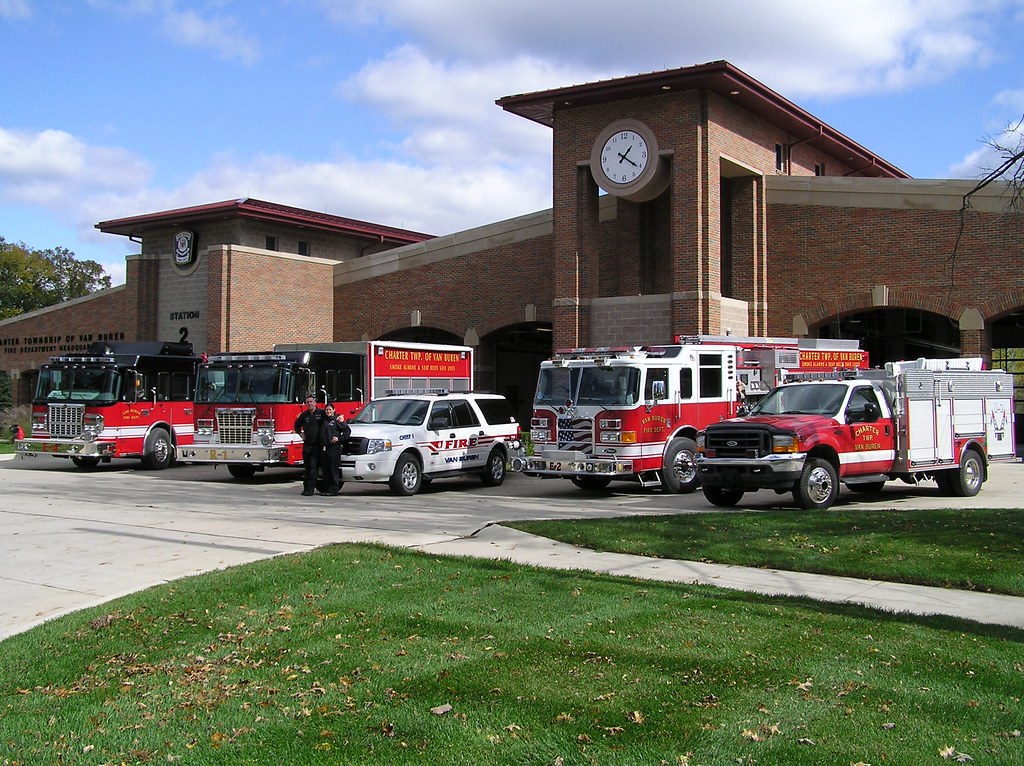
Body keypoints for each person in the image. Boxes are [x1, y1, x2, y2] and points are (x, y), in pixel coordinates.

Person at [294, 393, 325, 496]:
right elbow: (297, 425)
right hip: (307, 445)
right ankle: (306, 488)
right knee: (307, 468)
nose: (309, 404)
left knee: (313, 468)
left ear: (315, 402)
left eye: (311, 402)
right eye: (307, 402)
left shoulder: (321, 413)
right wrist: (300, 433)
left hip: (317, 445)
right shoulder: (304, 415)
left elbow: (331, 418)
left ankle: (310, 490)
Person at [319, 404, 351, 496]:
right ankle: (327, 489)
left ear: (334, 410)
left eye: (330, 409)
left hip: (334, 449)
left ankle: (334, 490)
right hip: (324, 449)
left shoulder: (337, 420)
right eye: (326, 410)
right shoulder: (324, 420)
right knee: (326, 470)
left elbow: (347, 431)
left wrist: (339, 439)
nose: (328, 411)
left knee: (333, 470)